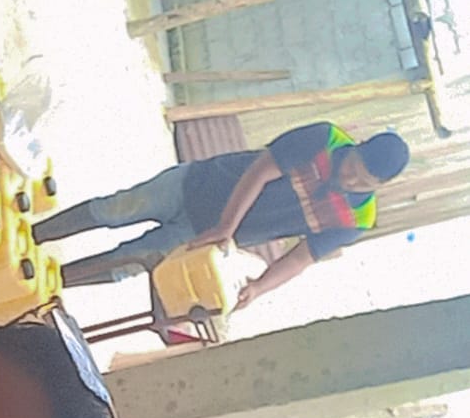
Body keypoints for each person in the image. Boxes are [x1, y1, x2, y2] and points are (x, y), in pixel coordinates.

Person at [32, 121, 410, 303]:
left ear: (379, 186)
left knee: (127, 263)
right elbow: (261, 171)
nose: (350, 179)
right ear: (357, 146)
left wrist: (259, 287)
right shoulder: (324, 138)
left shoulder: (356, 222)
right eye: (353, 167)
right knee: (114, 209)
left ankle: (40, 285)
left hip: (202, 238)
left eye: (364, 182)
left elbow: (301, 258)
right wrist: (227, 225)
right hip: (195, 183)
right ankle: (34, 234)